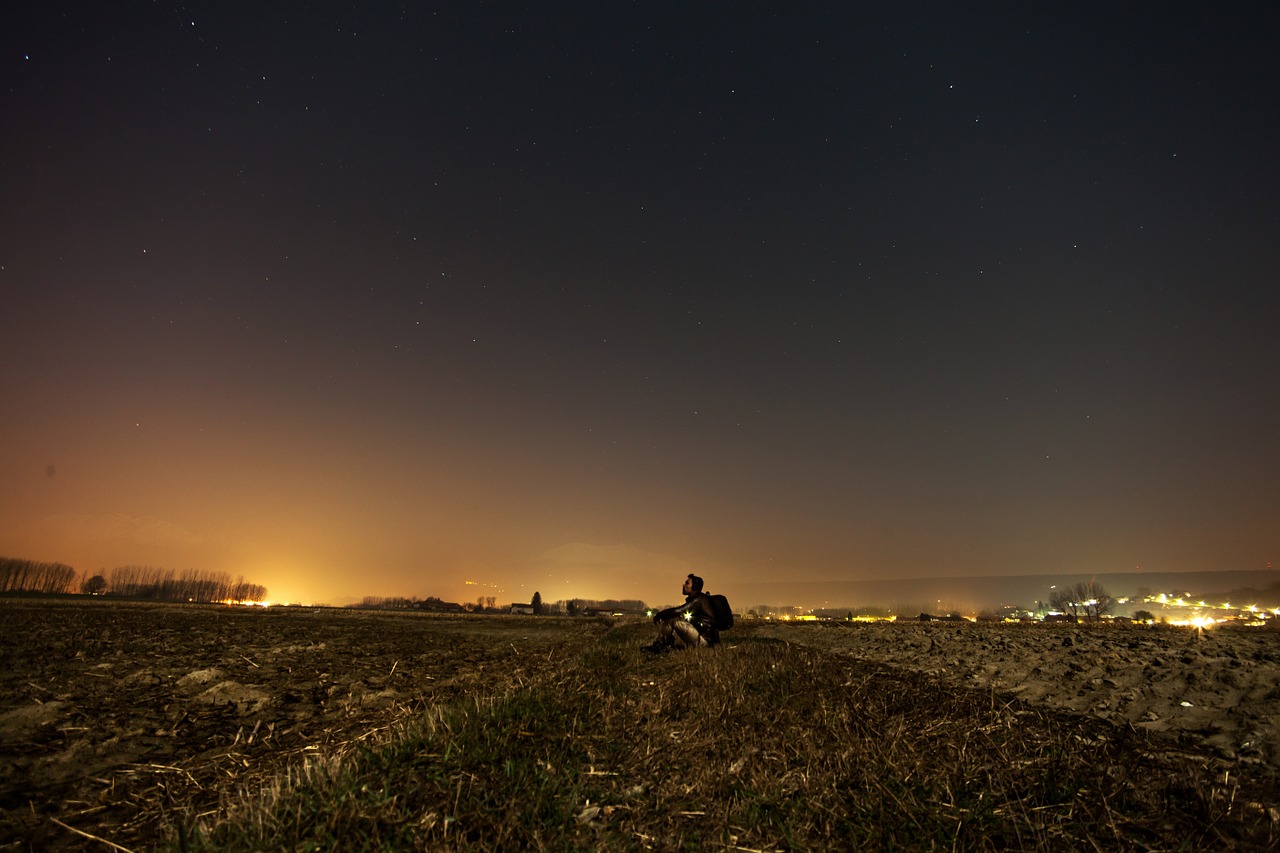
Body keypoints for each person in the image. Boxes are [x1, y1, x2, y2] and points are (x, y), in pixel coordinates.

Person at [642, 573, 719, 652]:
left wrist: (660, 615)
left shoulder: (698, 599)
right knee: (673, 618)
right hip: (705, 639)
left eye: (687, 583)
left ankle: (660, 644)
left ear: (695, 587)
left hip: (705, 642)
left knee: (674, 620)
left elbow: (678, 610)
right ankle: (661, 644)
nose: (683, 585)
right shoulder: (698, 598)